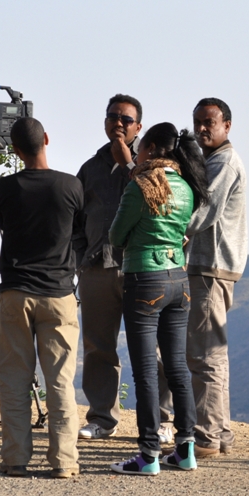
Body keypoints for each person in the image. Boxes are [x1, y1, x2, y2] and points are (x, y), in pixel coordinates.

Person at [108, 122, 210, 475]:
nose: (135, 152)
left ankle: (148, 454)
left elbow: (116, 235)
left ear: (150, 149)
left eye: (140, 148)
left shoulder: (141, 186)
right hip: (178, 281)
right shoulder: (187, 186)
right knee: (178, 367)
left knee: (146, 372)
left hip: (144, 281)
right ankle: (185, 450)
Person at [72, 94, 175, 442]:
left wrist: (130, 163)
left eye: (126, 119)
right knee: (98, 346)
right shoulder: (90, 168)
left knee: (153, 349)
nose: (118, 123)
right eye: (112, 116)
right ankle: (102, 419)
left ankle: (162, 421)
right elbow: (75, 219)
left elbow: (163, 206)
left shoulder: (155, 168)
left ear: (139, 127)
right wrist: (81, 259)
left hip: (142, 269)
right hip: (98, 269)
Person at [0, 116, 84, 479]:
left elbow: (1, 221)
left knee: (14, 380)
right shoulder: (70, 186)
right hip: (59, 294)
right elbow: (79, 228)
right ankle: (64, 461)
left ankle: (15, 459)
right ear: (46, 139)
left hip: (15, 292)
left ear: (15, 150)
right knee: (60, 381)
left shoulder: (6, 188)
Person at [184, 97, 248, 458]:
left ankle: (205, 436)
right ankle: (219, 431)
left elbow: (203, 211)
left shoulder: (223, 161)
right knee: (214, 354)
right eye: (198, 122)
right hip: (214, 265)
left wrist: (173, 230)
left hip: (211, 265)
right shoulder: (212, 159)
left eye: (209, 122)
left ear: (227, 125)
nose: (202, 128)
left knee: (204, 354)